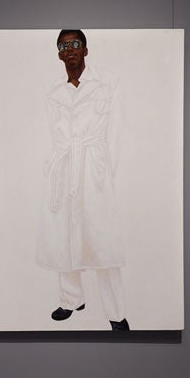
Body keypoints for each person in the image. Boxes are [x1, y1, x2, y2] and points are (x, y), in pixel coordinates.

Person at [36, 30, 128, 331]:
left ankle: (116, 313)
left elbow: (115, 135)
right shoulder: (53, 92)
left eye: (76, 44)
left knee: (103, 242)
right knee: (63, 237)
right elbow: (53, 135)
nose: (70, 49)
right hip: (64, 170)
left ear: (86, 50)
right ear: (59, 53)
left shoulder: (108, 83)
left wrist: (104, 174)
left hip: (95, 169)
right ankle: (71, 299)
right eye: (64, 45)